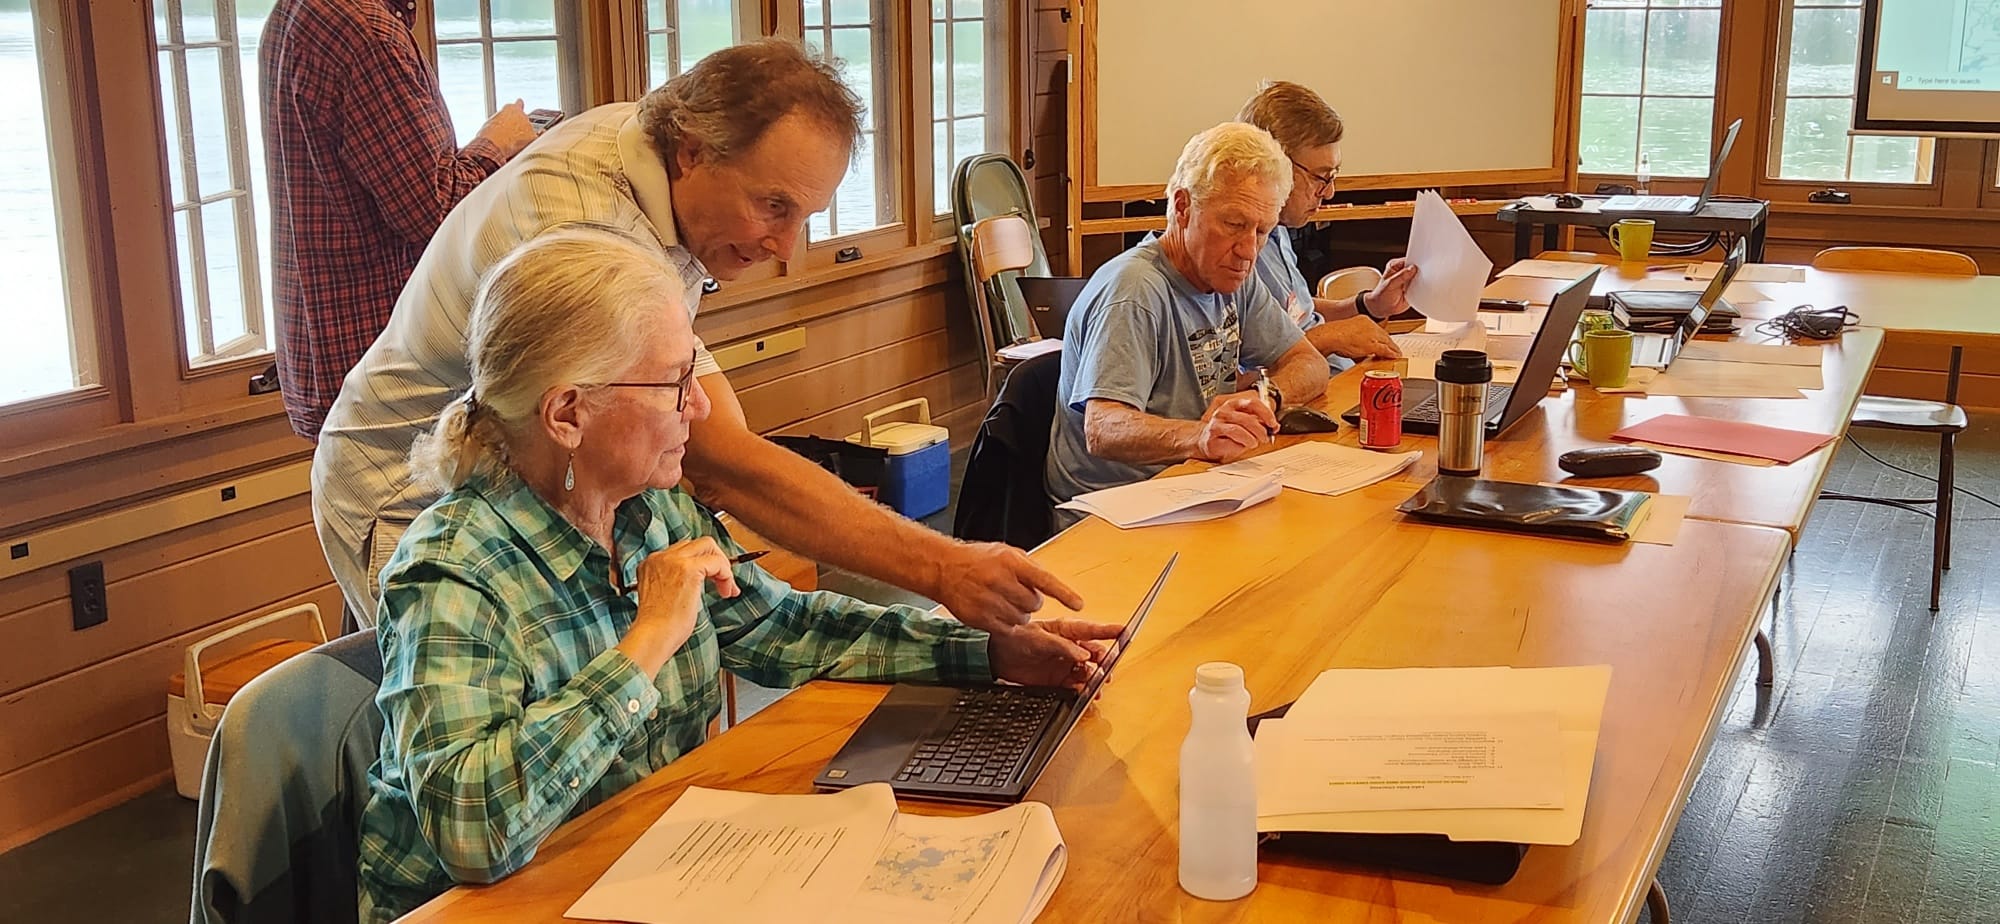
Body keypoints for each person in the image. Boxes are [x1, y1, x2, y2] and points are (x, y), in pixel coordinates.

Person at [354, 229, 1122, 922]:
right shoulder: (451, 572)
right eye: (670, 383)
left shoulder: (649, 509)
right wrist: (647, 641)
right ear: (567, 415)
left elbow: (785, 627)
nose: (697, 406)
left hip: (641, 869)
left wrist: (989, 652)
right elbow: (471, 833)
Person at [314, 39, 1081, 634]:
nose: (786, 247)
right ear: (692, 152)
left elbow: (704, 438)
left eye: (804, 216)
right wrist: (943, 569)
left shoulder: (662, 162)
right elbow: (723, 463)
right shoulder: (587, 218)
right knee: (483, 742)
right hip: (408, 486)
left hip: (535, 473)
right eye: (772, 206)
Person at [260, 0, 540, 439]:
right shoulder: (370, 36)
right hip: (383, 362)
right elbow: (435, 208)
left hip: (327, 346)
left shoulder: (298, 11)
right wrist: (499, 142)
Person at [1044, 122, 1330, 524]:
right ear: (1182, 207)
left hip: (1195, 486)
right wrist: (1200, 436)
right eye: (1233, 224)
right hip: (1115, 513)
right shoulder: (1134, 292)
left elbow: (1309, 363)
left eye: (1262, 231)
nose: (1249, 250)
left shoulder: (1231, 274)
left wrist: (1267, 400)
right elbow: (1103, 427)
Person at [1236, 81, 1418, 370]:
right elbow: (1252, 359)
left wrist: (1371, 304)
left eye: (1334, 175)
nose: (1329, 192)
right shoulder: (1236, 249)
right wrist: (1330, 337)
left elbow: (1299, 313)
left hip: (1329, 381)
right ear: (1275, 166)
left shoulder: (1279, 231)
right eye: (1321, 176)